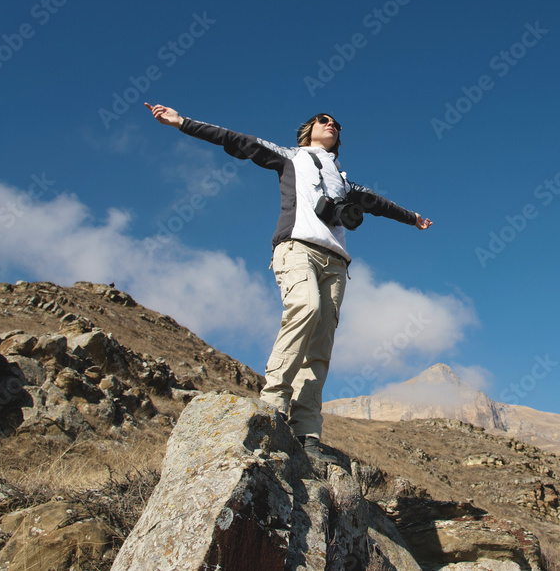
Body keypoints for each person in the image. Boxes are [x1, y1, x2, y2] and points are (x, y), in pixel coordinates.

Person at [145, 102, 432, 461]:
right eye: (324, 119)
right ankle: (273, 404)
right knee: (306, 308)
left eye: (337, 123)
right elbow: (236, 140)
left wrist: (412, 218)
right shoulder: (290, 157)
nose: (332, 124)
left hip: (336, 263)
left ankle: (307, 431)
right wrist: (182, 122)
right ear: (307, 130)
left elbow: (378, 203)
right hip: (297, 249)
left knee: (321, 343)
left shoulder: (343, 181)